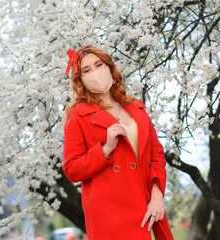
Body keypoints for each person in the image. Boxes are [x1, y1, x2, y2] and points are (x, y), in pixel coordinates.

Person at [62, 46, 174, 240]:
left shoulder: (136, 107)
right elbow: (72, 169)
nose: (95, 72)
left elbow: (156, 155)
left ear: (110, 68)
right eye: (87, 70)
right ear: (80, 80)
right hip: (110, 217)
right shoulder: (77, 115)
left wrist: (157, 198)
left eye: (99, 65)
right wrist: (106, 149)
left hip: (149, 208)